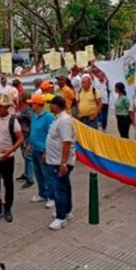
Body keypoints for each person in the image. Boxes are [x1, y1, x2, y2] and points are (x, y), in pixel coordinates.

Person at [0, 91, 24, 224]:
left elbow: (20, 139)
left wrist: (9, 151)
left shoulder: (13, 121)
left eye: (2, 106)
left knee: (8, 184)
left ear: (7, 107)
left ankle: (8, 208)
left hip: (8, 157)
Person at [46, 96, 77, 230]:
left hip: (60, 162)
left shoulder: (64, 121)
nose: (49, 107)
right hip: (54, 159)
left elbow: (66, 143)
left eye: (51, 104)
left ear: (57, 106)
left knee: (59, 189)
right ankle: (67, 210)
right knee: (65, 186)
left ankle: (60, 218)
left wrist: (63, 163)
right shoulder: (57, 119)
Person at [26, 94, 55, 207]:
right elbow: (33, 131)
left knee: (47, 174)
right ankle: (42, 194)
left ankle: (51, 197)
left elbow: (51, 135)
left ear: (38, 105)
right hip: (34, 149)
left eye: (32, 103)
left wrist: (47, 151)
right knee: (38, 173)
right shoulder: (35, 115)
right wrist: (29, 145)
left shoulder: (48, 117)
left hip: (43, 151)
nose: (30, 105)